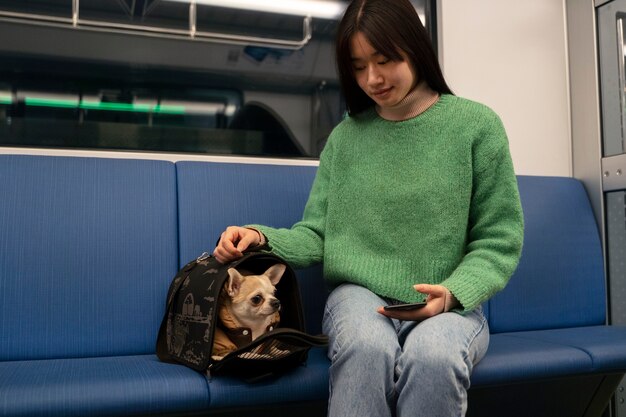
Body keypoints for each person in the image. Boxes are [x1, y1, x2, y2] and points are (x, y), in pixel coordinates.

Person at [213, 0, 524, 415]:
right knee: (366, 347)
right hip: (358, 296)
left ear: (416, 49)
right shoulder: (345, 139)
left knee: (433, 356)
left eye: (384, 60)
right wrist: (259, 237)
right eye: (358, 66)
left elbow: (498, 239)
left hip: (449, 300)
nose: (372, 79)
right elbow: (318, 234)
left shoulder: (477, 127)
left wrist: (452, 294)